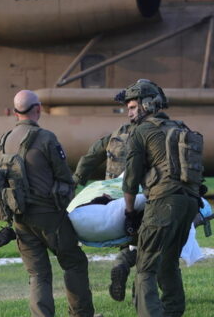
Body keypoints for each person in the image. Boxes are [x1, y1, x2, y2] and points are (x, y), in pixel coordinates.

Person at [2, 90, 98, 317]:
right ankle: (81, 314)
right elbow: (63, 176)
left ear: (16, 112)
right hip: (49, 216)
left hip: (20, 217)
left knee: (38, 274)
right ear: (37, 109)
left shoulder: (6, 140)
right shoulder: (46, 138)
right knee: (73, 263)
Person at [119, 79, 201, 317]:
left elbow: (130, 181)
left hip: (164, 202)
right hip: (188, 203)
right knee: (168, 263)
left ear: (147, 105)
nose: (129, 112)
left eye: (133, 107)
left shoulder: (141, 131)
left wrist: (129, 212)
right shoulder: (180, 127)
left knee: (145, 268)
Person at [73, 118, 136, 302]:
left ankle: (121, 265)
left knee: (124, 237)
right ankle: (139, 294)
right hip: (138, 195)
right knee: (146, 244)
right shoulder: (151, 134)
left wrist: (77, 179)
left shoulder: (116, 135)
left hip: (112, 196)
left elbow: (92, 156)